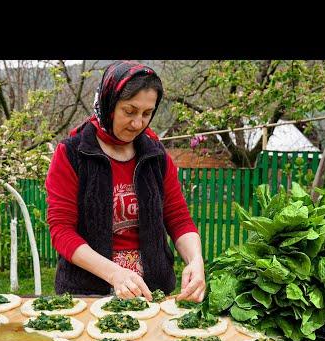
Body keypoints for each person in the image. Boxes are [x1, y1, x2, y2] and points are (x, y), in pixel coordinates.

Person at [45, 60, 205, 302]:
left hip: (154, 291)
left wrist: (195, 261)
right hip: (88, 293)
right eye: (129, 111)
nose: (138, 123)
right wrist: (115, 273)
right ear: (109, 104)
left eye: (147, 113)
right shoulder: (72, 154)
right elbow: (62, 231)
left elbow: (179, 218)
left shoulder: (156, 155)